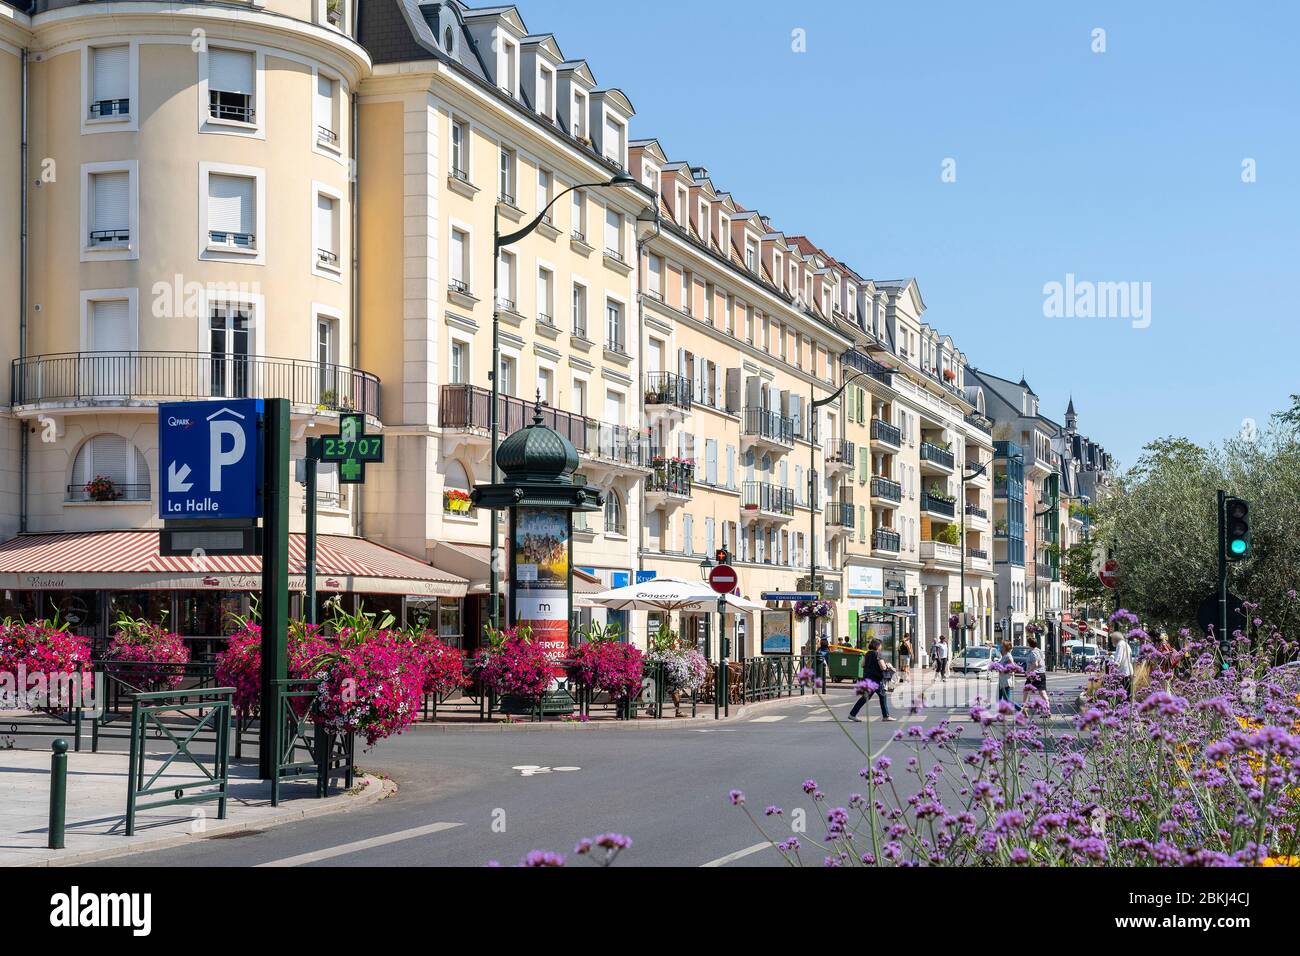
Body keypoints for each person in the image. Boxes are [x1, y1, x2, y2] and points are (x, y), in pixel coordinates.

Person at [847, 638, 896, 722]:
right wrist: (889, 667)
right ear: (877, 645)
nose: (881, 646)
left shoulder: (867, 654)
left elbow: (862, 664)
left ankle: (852, 714)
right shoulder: (877, 654)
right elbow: (883, 667)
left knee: (867, 697)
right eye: (880, 645)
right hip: (876, 679)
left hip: (867, 678)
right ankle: (885, 716)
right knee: (882, 695)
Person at [1021, 635, 1051, 714]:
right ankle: (1047, 709)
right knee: (1042, 692)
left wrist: (1028, 671)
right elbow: (1041, 661)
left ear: (1029, 644)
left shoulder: (1033, 652)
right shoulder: (1039, 650)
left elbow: (1036, 664)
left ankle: (1024, 708)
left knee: (1026, 690)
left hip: (1034, 674)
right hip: (1042, 673)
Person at [1110, 631, 1134, 699]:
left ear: (1115, 638)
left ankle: (1123, 707)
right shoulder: (1126, 644)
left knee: (1123, 693)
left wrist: (1114, 664)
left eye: (1112, 639)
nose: (1111, 641)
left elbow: (1118, 658)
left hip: (1123, 673)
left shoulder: (1120, 645)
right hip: (1129, 671)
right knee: (1128, 692)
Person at [996, 639, 1015, 706]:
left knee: (1007, 700)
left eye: (1002, 646)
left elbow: (1013, 668)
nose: (1000, 647)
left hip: (1006, 681)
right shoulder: (1003, 656)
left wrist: (1003, 670)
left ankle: (1021, 709)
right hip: (1001, 680)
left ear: (1005, 647)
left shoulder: (1008, 656)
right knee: (999, 699)